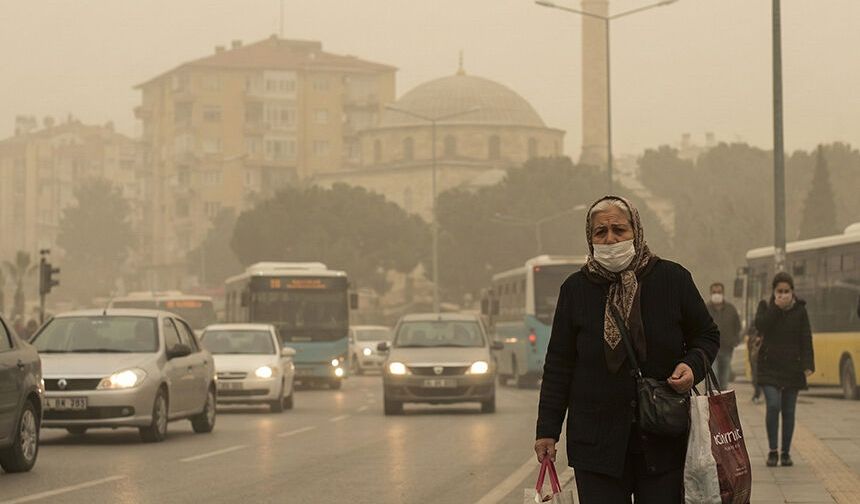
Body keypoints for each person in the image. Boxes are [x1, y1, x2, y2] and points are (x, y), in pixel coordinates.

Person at [534, 196, 719, 503]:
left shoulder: (672, 279)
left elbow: (706, 335)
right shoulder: (575, 289)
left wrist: (692, 366)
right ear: (590, 238)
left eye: (619, 230)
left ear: (636, 230)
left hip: (663, 440)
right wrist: (547, 430)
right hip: (596, 444)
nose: (610, 239)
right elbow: (559, 365)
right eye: (600, 232)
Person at [754, 271, 814, 468]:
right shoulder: (766, 306)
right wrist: (776, 309)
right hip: (769, 366)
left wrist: (807, 365)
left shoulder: (800, 310)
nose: (783, 294)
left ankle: (785, 452)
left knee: (788, 411)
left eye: (787, 291)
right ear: (773, 292)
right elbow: (760, 325)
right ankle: (772, 451)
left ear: (793, 292)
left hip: (792, 368)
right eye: (779, 291)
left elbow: (806, 338)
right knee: (773, 405)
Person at [706, 282, 741, 389]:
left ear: (723, 293)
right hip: (711, 350)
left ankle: (722, 403)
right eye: (714, 292)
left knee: (724, 380)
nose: (717, 294)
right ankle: (712, 402)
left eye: (719, 292)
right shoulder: (705, 309)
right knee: (714, 378)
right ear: (711, 293)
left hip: (726, 349)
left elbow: (737, 326)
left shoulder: (731, 309)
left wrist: (734, 340)